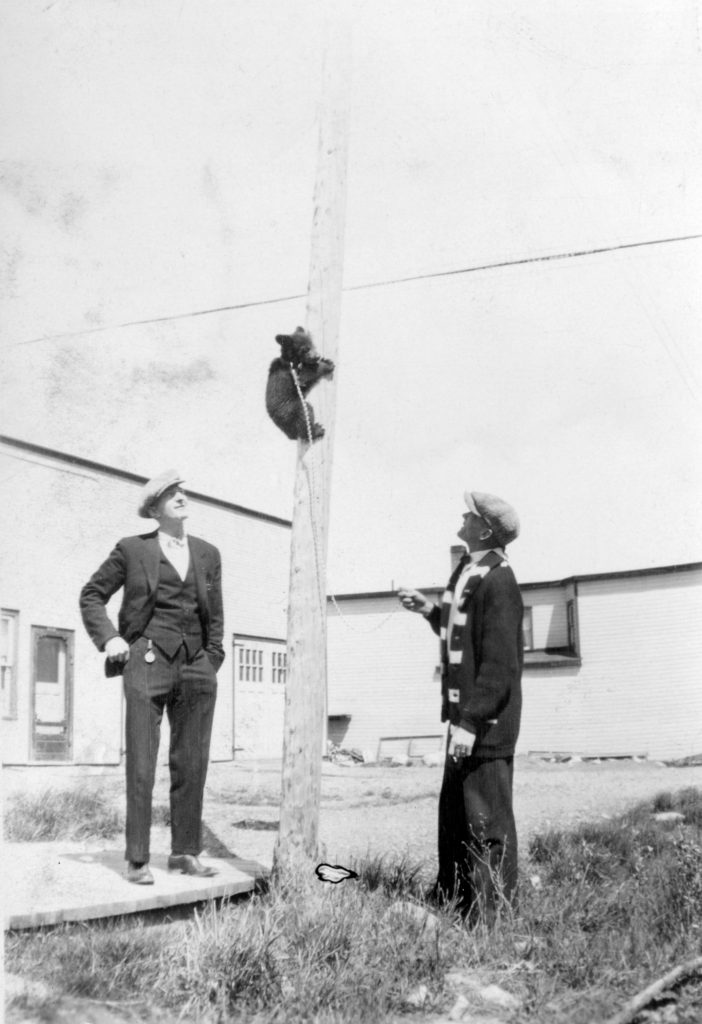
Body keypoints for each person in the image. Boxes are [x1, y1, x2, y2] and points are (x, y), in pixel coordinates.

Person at [80, 470, 225, 885]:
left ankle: (184, 853)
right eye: (170, 494)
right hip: (146, 660)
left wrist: (211, 658)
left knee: (192, 762)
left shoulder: (208, 553)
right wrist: (109, 639)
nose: (181, 497)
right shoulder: (132, 549)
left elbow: (215, 613)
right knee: (142, 761)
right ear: (154, 508)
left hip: (197, 665)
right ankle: (138, 859)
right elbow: (91, 595)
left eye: (182, 490)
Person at [398, 490, 523, 921]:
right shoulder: (470, 569)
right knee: (455, 817)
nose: (462, 519)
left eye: (469, 516)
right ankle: (453, 901)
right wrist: (429, 610)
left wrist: (471, 722)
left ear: (485, 529)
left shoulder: (499, 579)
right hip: (463, 720)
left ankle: (493, 917)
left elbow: (499, 664)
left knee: (486, 821)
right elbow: (460, 634)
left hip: (484, 725)